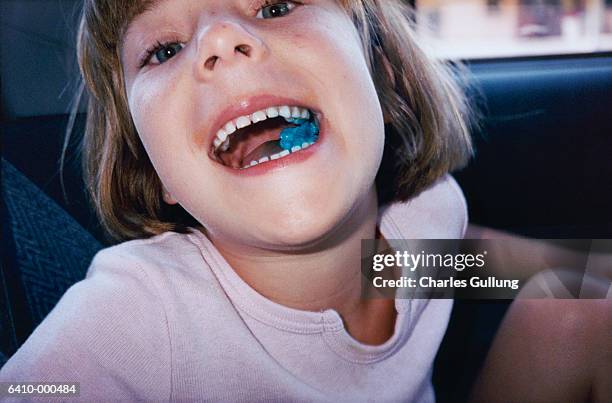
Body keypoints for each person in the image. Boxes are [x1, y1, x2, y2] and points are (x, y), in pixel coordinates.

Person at [0, 0, 473, 401]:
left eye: (275, 7)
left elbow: (480, 268)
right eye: (165, 50)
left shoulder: (432, 212)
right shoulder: (137, 317)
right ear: (154, 168)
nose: (221, 38)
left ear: (381, 78)